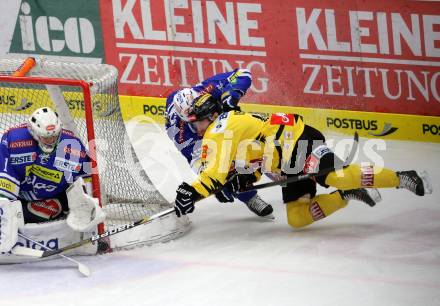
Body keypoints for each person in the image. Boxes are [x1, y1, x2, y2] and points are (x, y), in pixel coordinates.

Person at [171, 93, 433, 228]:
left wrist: (191, 193)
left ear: (211, 115)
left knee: (335, 176)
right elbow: (249, 161)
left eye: (197, 123)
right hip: (285, 162)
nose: (196, 129)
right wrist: (244, 178)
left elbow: (213, 175)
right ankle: (348, 194)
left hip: (298, 142)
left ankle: (404, 177)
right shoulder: (226, 128)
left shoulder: (218, 130)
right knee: (298, 218)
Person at [165, 68, 273, 217]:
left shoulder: (207, 90)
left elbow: (243, 73)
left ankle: (268, 157)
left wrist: (230, 96)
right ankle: (249, 197)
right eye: (195, 120)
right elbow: (201, 164)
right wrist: (219, 184)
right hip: (200, 138)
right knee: (224, 168)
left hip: (225, 122)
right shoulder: (182, 135)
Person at [0, 107, 105, 253]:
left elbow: (88, 174)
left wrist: (91, 200)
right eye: (46, 137)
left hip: (52, 199)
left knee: (44, 210)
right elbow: (5, 177)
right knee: (8, 210)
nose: (50, 141)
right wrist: (5, 210)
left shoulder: (72, 145)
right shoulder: (14, 140)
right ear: (34, 133)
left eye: (54, 136)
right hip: (20, 196)